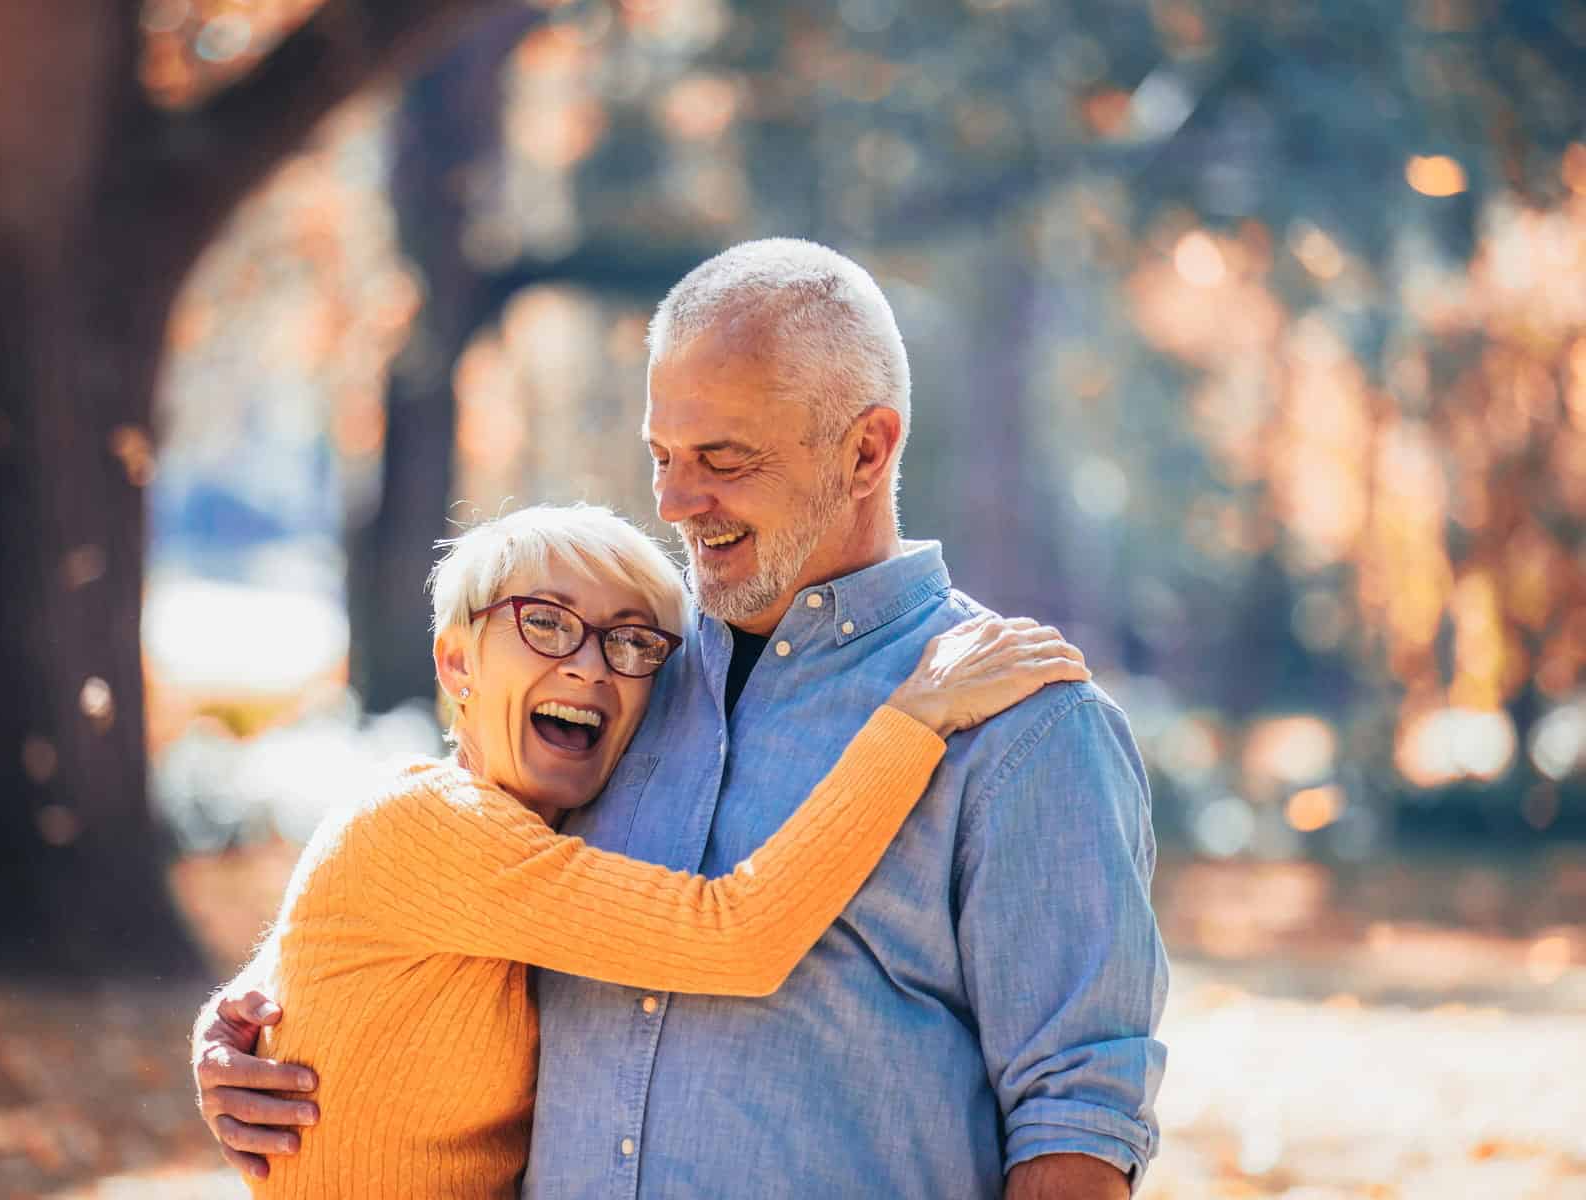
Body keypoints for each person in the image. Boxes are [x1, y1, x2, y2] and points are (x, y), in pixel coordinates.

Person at [195, 239, 1169, 1199]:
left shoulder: (1022, 725)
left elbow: (1076, 1126)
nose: (673, 499)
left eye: (722, 458)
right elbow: (443, 884)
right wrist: (247, 1025)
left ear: (866, 449)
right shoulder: (616, 690)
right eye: (661, 454)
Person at [210, 501, 1087, 1198]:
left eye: (632, 641)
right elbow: (732, 936)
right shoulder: (425, 823)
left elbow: (315, 970)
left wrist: (234, 1021)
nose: (592, 665)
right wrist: (914, 717)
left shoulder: (532, 835)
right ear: (456, 663)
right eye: (546, 623)